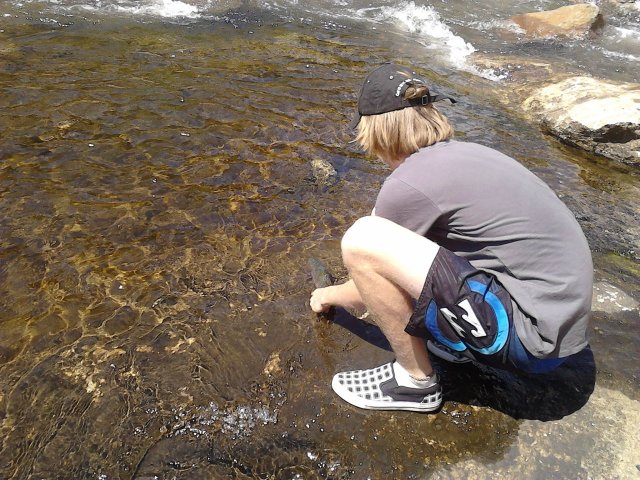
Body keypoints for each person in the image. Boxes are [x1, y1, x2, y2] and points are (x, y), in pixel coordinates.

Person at [309, 63, 593, 413]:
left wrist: (326, 295)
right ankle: (456, 342)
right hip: (561, 328)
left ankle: (414, 384)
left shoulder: (408, 184)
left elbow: (368, 279)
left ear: (376, 131)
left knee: (362, 240)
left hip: (532, 343)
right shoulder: (472, 154)